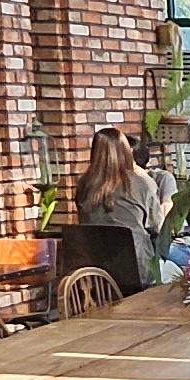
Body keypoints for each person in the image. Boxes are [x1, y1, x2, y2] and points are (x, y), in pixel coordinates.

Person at [66, 126, 153, 295]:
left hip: (96, 274)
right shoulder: (140, 183)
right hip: (138, 273)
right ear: (125, 151)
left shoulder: (83, 186)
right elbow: (156, 225)